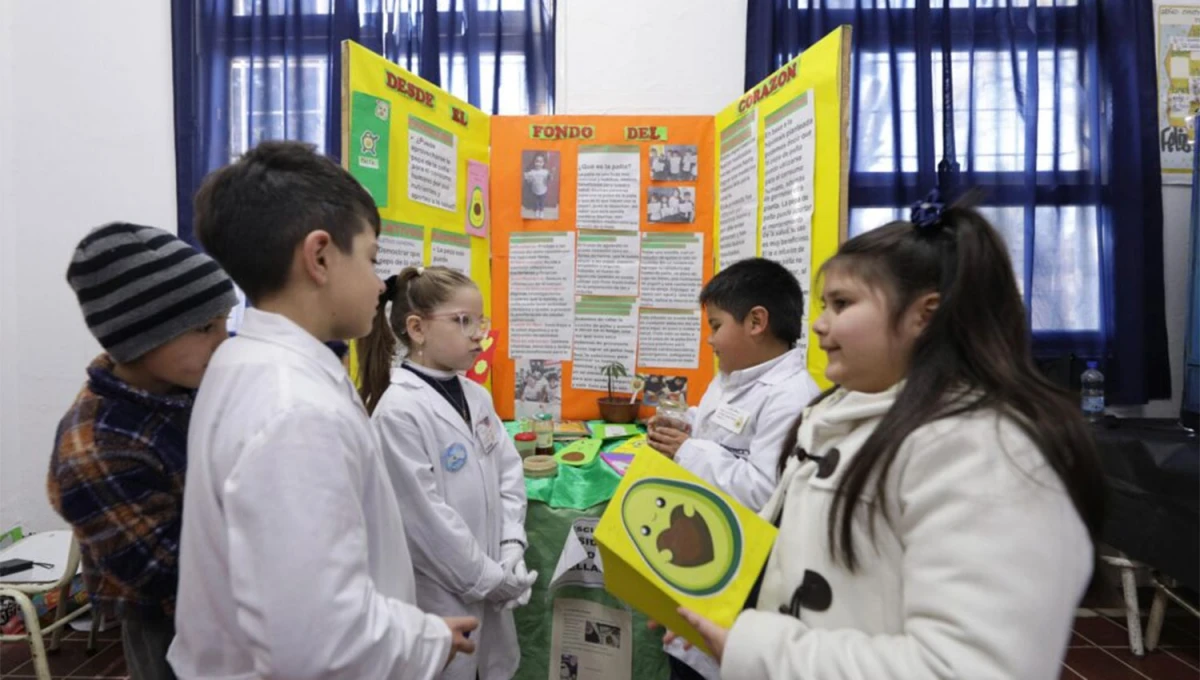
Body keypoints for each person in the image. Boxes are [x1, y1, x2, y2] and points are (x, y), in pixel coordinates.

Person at [665, 192, 1105, 680]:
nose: (818, 325)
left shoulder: (985, 452)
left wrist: (759, 648)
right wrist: (718, 609)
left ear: (924, 314)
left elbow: (967, 667)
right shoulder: (834, 412)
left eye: (842, 303)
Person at [168, 141, 476, 680]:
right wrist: (425, 637)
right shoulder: (294, 410)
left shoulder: (244, 359)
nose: (381, 284)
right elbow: (317, 643)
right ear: (319, 256)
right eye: (372, 257)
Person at [49, 223, 237, 680]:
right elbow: (165, 574)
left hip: (231, 597)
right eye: (205, 328)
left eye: (225, 322)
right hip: (170, 624)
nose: (224, 342)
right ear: (140, 338)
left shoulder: (188, 383)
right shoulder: (94, 448)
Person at [358, 266, 535, 680]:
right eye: (463, 321)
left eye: (480, 321)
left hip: (491, 575)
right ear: (417, 329)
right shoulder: (399, 411)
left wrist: (511, 545)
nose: (478, 334)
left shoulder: (477, 395)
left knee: (491, 667)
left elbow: (508, 473)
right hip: (439, 596)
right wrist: (490, 579)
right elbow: (427, 520)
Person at [647, 257, 820, 680]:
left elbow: (765, 491)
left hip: (743, 576)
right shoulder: (732, 376)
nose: (710, 340)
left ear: (756, 321)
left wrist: (687, 449)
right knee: (684, 661)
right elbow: (722, 433)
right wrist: (683, 425)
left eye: (716, 325)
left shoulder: (791, 396)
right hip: (701, 556)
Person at [523, 153, 552, 219]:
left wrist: (551, 175)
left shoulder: (545, 171)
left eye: (540, 162)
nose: (538, 164)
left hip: (543, 190)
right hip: (534, 190)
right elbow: (528, 180)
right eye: (537, 161)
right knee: (536, 202)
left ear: (543, 163)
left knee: (542, 202)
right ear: (534, 162)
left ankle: (541, 211)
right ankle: (537, 210)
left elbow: (549, 179)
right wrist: (526, 177)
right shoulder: (532, 172)